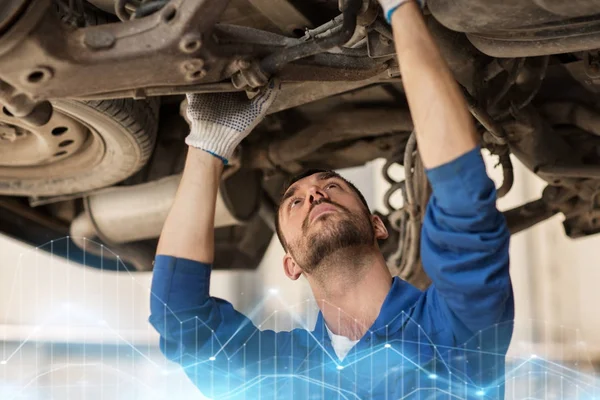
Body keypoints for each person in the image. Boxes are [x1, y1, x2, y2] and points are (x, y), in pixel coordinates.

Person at [149, 0, 514, 398]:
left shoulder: (453, 330)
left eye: (331, 186)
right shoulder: (284, 368)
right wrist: (206, 145)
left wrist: (401, 10)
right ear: (291, 264)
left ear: (377, 224)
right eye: (295, 201)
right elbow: (182, 324)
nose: (314, 194)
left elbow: (465, 205)